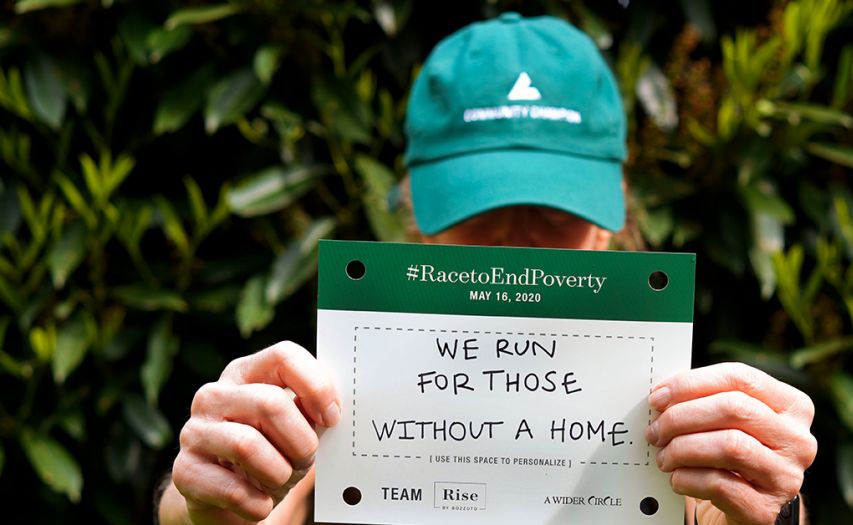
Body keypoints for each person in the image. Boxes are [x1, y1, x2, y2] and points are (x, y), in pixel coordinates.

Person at [157, 13, 817, 525]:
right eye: (480, 208)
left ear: (613, 216)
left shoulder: (678, 422)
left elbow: (732, 508)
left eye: (553, 211)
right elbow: (260, 503)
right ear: (413, 209)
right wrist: (203, 501)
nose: (516, 244)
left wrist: (769, 502)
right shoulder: (334, 407)